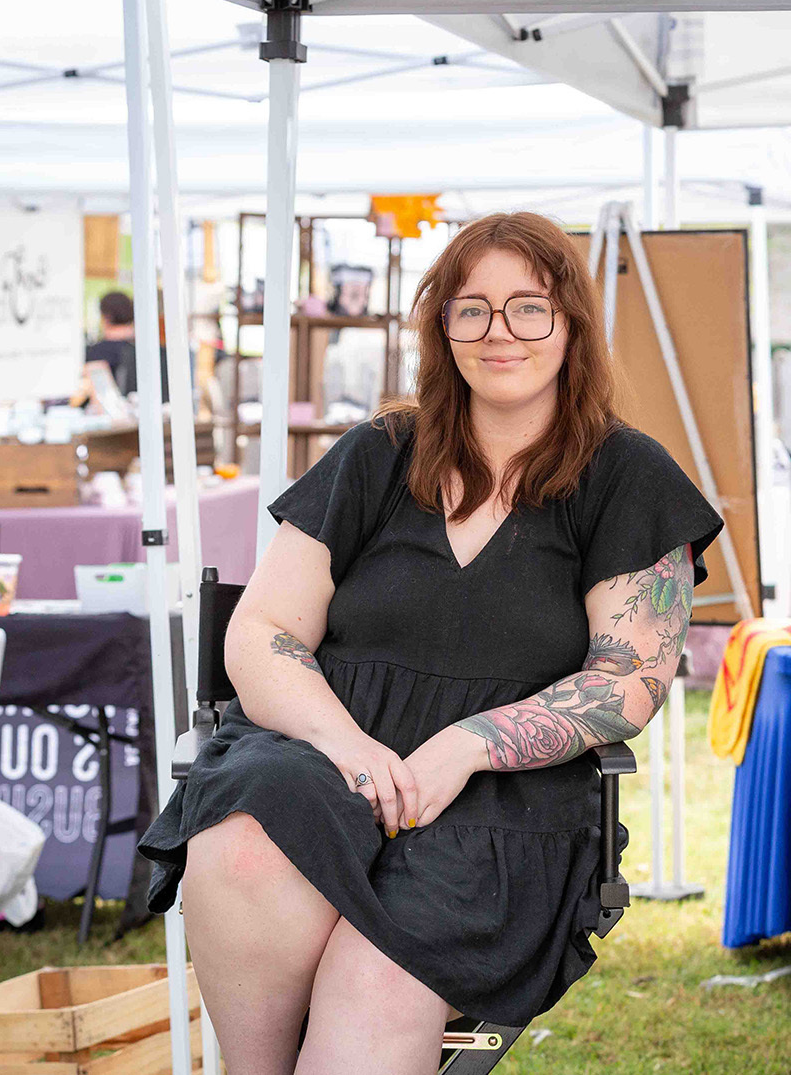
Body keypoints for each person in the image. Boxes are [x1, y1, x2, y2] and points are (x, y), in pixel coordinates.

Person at [136, 212, 725, 1075]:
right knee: (246, 840)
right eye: (471, 308)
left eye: (529, 307)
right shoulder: (378, 455)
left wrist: (465, 745)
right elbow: (262, 631)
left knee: (372, 987)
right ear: (442, 326)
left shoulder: (626, 477)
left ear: (571, 325)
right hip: (327, 750)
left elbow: (627, 679)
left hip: (504, 800)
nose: (499, 332)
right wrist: (349, 747)